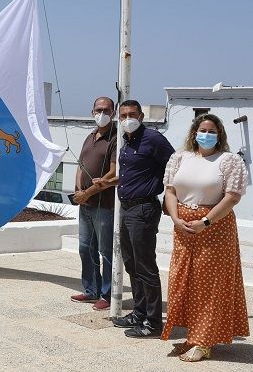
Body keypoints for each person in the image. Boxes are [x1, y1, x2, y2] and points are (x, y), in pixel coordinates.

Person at [160, 113, 249, 362]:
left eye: (212, 131)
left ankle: (204, 341)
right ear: (194, 132)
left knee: (209, 285)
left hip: (215, 228)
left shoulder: (229, 160)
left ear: (219, 134)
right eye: (203, 130)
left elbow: (232, 197)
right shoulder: (179, 158)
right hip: (183, 227)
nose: (207, 135)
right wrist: (176, 218)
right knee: (184, 282)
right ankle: (192, 336)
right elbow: (170, 191)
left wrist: (205, 221)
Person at [97, 100, 175, 338]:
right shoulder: (127, 142)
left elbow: (175, 165)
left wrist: (169, 198)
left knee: (145, 266)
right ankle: (139, 313)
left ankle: (153, 322)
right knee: (131, 263)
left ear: (141, 115)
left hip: (143, 209)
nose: (127, 118)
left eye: (132, 114)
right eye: (123, 115)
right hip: (127, 209)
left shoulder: (153, 139)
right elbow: (133, 175)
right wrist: (109, 182)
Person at [70, 97, 117, 311]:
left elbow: (114, 172)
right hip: (85, 205)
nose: (102, 113)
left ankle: (107, 295)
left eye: (106, 110)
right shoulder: (90, 136)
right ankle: (91, 290)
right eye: (99, 109)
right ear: (92, 112)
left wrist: (88, 193)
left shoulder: (116, 138)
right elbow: (81, 165)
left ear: (113, 112)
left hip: (104, 205)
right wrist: (78, 191)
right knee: (85, 248)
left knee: (106, 252)